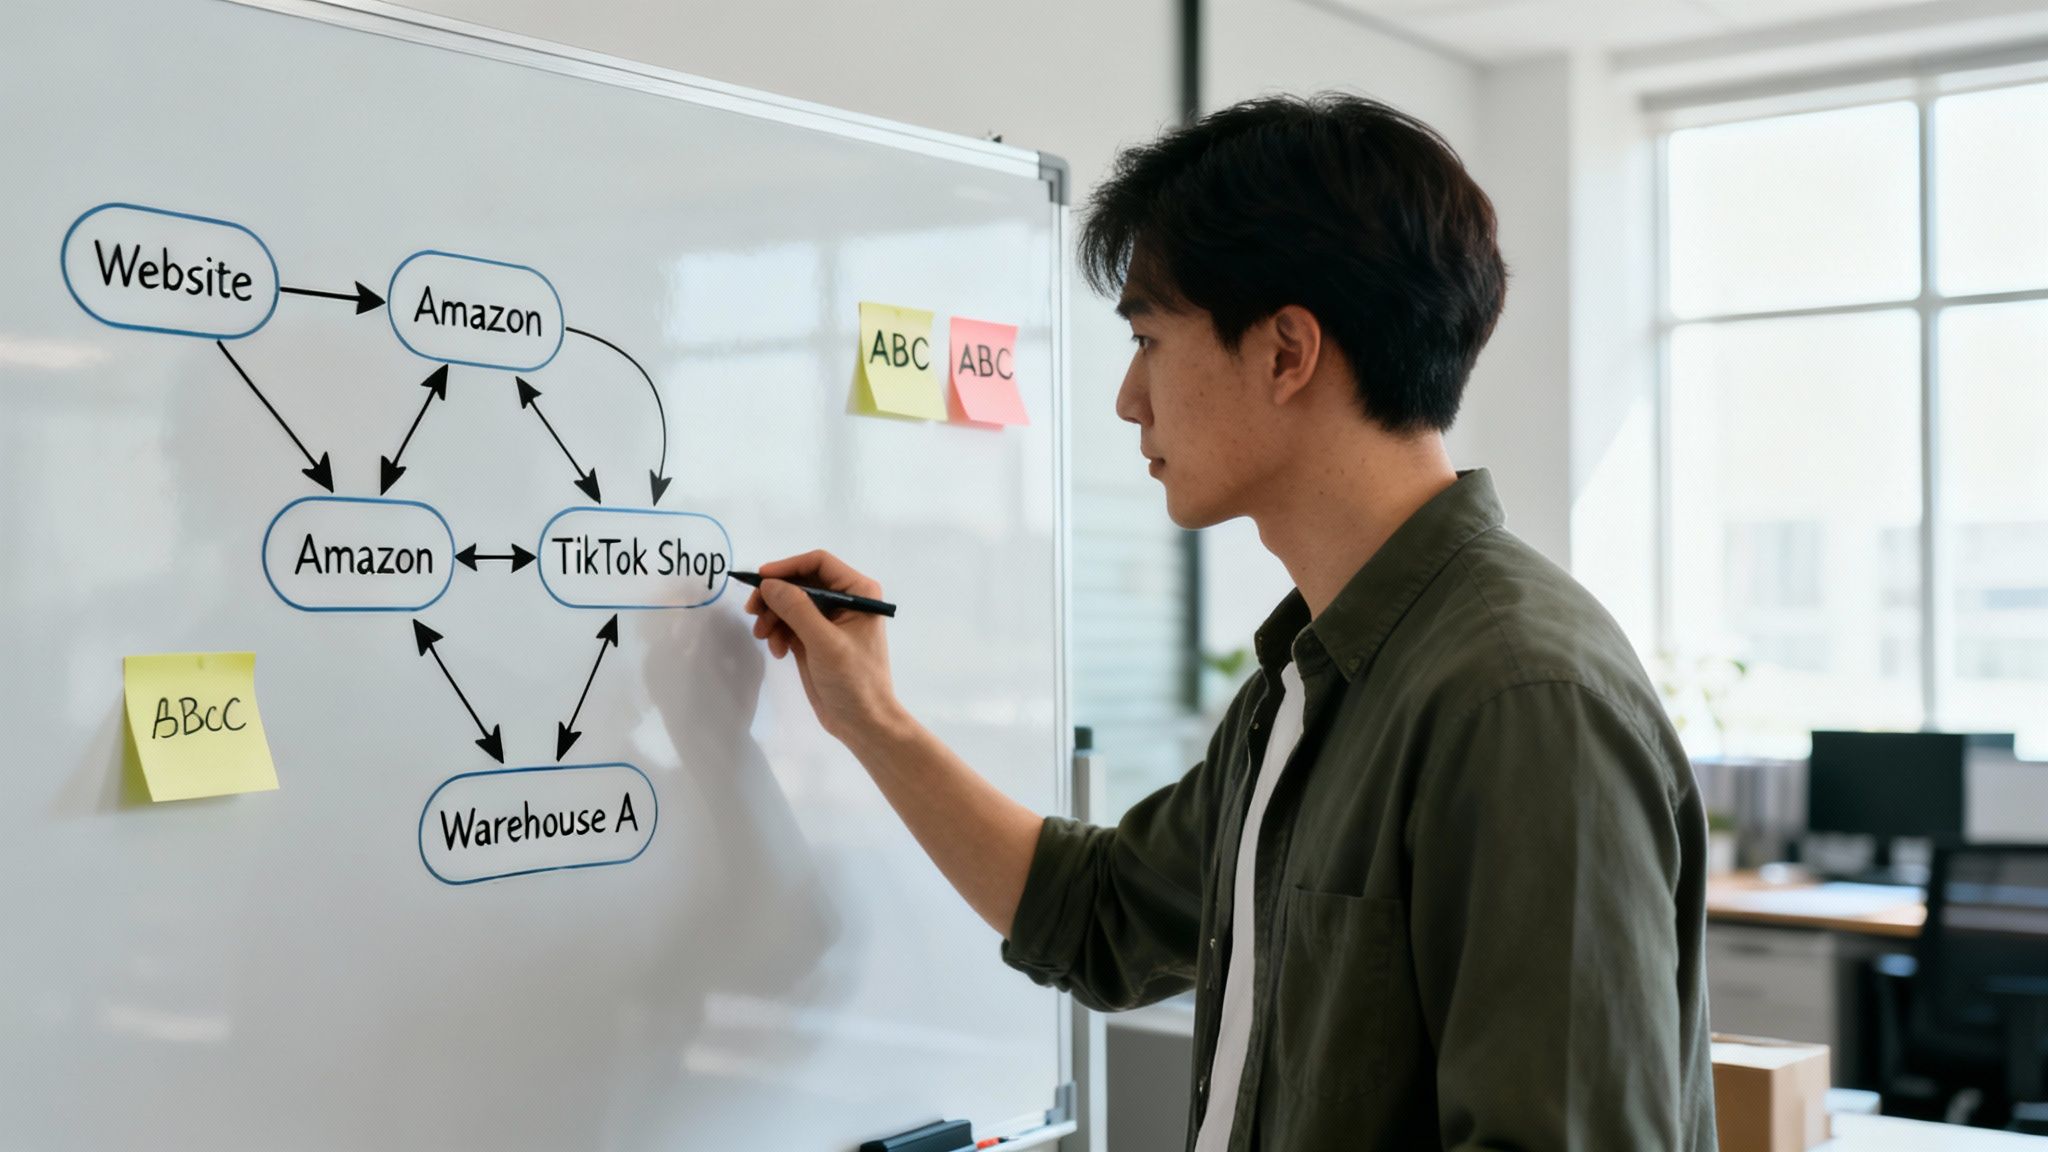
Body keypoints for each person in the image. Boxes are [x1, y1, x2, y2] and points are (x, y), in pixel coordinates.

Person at [743, 93, 1716, 1151]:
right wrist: (872, 719)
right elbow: (1101, 916)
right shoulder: (1305, 684)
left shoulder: (1519, 701)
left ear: (1285, 352)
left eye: (1148, 340)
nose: (1128, 398)